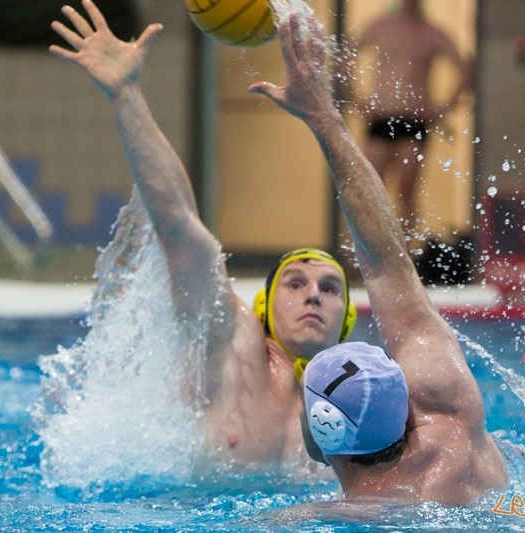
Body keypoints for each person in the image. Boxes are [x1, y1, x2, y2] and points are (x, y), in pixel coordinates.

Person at [49, 0, 354, 472]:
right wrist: (125, 95)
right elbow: (179, 227)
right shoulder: (230, 343)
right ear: (265, 307)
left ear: (347, 320)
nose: (313, 295)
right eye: (295, 283)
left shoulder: (353, 404)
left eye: (329, 289)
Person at [249, 14, 507, 504]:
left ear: (318, 435)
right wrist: (325, 115)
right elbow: (388, 264)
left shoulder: (327, 517)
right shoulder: (454, 420)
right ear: (407, 404)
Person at [346, 0, 471, 237]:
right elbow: (346, 56)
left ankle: (404, 251)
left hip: (413, 119)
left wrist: (444, 107)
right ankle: (367, 248)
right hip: (382, 117)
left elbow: (465, 69)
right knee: (370, 189)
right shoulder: (381, 26)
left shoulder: (431, 32)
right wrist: (355, 99)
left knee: (406, 189)